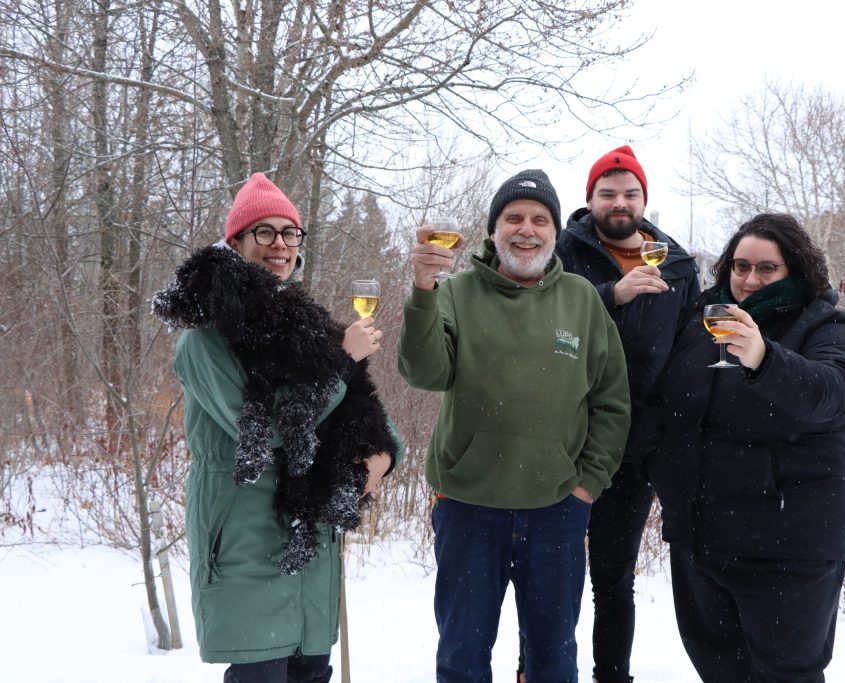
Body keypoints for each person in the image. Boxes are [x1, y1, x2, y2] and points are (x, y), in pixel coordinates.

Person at [398, 169, 631, 683]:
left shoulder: (582, 299)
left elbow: (612, 400)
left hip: (556, 510)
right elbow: (423, 372)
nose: (527, 229)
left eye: (540, 219)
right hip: (467, 507)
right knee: (462, 658)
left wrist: (588, 484)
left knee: (553, 661)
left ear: (554, 231)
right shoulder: (456, 292)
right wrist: (422, 289)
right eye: (514, 218)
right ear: (494, 228)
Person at [169, 173, 402, 683]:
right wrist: (341, 362)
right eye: (264, 232)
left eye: (289, 233)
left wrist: (385, 453)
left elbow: (358, 407)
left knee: (309, 671)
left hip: (309, 542)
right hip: (244, 541)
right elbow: (271, 431)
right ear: (235, 243)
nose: (279, 245)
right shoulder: (205, 340)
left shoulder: (304, 325)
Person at [644, 213, 845, 682]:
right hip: (701, 536)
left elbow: (833, 393)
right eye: (740, 266)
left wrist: (763, 357)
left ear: (795, 271)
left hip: (789, 540)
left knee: (785, 673)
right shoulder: (700, 324)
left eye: (767, 268)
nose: (749, 279)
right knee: (719, 667)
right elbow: (665, 409)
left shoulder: (825, 324)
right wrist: (658, 474)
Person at [516, 145, 700, 683]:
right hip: (560, 437)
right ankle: (539, 670)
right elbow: (531, 318)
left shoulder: (679, 265)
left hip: (635, 445)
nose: (619, 203)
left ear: (645, 199)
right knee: (548, 571)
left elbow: (688, 351)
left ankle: (612, 675)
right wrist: (610, 295)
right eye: (607, 193)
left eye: (630, 193)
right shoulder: (561, 253)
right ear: (589, 198)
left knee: (614, 577)